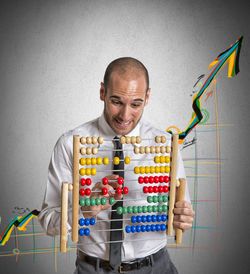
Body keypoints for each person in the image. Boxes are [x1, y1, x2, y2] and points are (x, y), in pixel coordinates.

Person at [39, 57, 195, 274]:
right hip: (92, 268)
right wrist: (84, 211)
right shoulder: (70, 144)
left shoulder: (166, 145)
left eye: (136, 104)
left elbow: (181, 211)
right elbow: (48, 220)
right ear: (102, 92)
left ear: (147, 97)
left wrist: (183, 217)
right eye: (116, 101)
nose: (125, 115)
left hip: (155, 267)